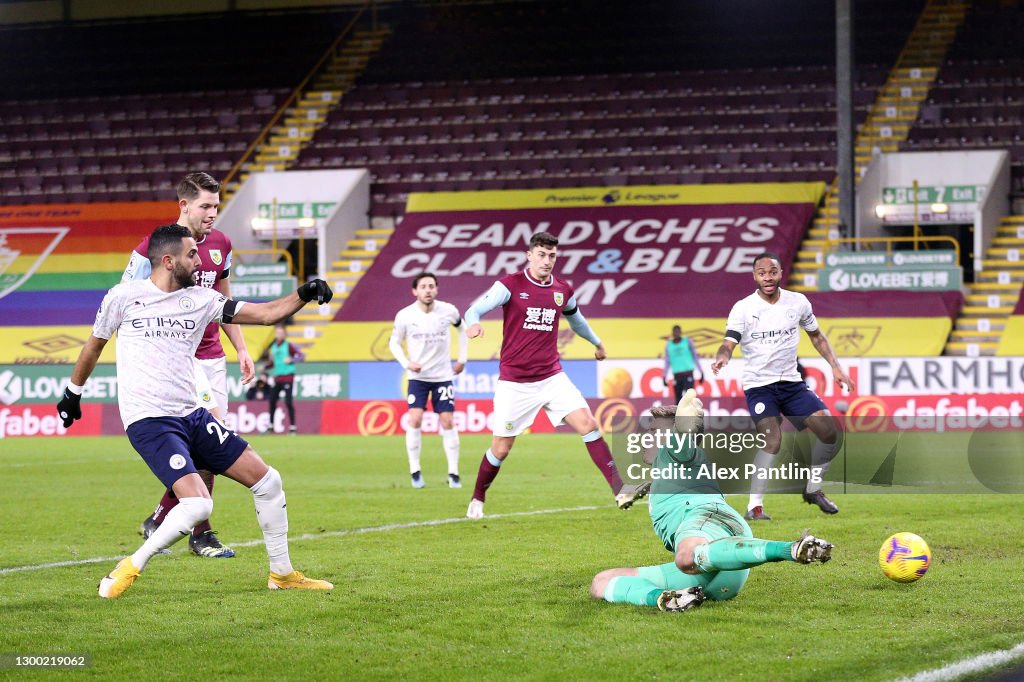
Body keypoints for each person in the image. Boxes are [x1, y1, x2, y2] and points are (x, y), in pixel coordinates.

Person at [55, 224, 334, 598]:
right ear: (168, 261)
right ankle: (130, 566)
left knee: (269, 482)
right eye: (191, 255)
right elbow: (93, 347)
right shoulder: (123, 297)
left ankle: (282, 575)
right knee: (199, 502)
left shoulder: (202, 299)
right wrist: (73, 394)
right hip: (150, 420)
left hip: (193, 415)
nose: (199, 260)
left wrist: (304, 293)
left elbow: (266, 314)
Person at [590, 389, 834, 612]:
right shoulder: (673, 467)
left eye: (653, 431)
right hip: (712, 571)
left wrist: (685, 426)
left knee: (685, 556)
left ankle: (790, 549)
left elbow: (683, 445)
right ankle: (665, 598)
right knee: (601, 583)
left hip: (709, 527)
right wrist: (640, 489)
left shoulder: (675, 452)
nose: (645, 437)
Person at [462, 231, 649, 519]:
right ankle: (478, 497)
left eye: (552, 256)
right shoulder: (510, 285)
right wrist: (473, 325)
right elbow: (474, 309)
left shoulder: (562, 289)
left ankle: (620, 488)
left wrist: (597, 343)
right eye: (541, 254)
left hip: (552, 377)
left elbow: (578, 321)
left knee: (587, 423)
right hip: (516, 383)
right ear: (529, 255)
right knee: (501, 449)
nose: (547, 260)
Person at [123, 171, 254, 558]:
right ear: (184, 205)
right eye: (206, 205)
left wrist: (242, 348)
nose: (213, 213)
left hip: (212, 356)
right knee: (211, 437)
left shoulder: (222, 244)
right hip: (175, 358)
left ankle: (163, 516)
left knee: (213, 445)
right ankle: (202, 532)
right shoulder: (154, 245)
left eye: (217, 205)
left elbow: (225, 299)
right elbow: (126, 298)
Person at [711, 252, 855, 521]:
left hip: (791, 384)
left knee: (830, 433)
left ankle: (813, 488)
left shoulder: (798, 302)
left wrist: (835, 367)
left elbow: (817, 336)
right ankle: (754, 506)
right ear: (754, 276)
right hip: (759, 386)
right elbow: (728, 342)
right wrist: (723, 356)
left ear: (780, 273)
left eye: (772, 271)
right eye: (762, 272)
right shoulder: (743, 308)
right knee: (773, 440)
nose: (768, 277)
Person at [389, 272, 468, 489]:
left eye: (431, 286)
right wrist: (406, 363)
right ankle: (415, 470)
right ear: (415, 291)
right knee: (414, 419)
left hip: (443, 376)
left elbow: (463, 329)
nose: (428, 290)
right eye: (423, 286)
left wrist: (462, 359)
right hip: (418, 377)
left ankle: (454, 473)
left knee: (447, 421)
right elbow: (394, 343)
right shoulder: (405, 315)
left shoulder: (449, 311)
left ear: (437, 289)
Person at [265, 324, 304, 434]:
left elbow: (301, 356)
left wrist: (292, 359)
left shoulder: (289, 345)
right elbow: (272, 363)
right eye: (277, 333)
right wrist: (265, 367)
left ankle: (292, 427)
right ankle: (271, 426)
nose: (279, 335)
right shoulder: (273, 347)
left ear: (284, 334)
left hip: (287, 377)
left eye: (281, 333)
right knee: (272, 401)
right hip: (277, 378)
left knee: (288, 402)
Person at [664, 324, 704, 403]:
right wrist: (664, 376)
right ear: (672, 333)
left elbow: (695, 356)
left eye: (678, 331)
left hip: (688, 374)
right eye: (675, 331)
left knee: (689, 398)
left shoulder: (687, 341)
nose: (676, 333)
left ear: (680, 332)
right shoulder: (669, 345)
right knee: (678, 400)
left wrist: (701, 372)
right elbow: (667, 362)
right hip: (677, 375)